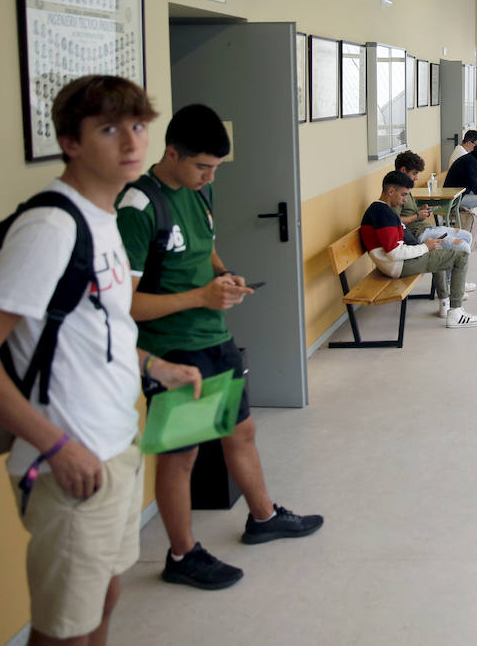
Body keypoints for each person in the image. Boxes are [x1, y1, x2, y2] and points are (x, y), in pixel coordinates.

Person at [0, 75, 201, 646]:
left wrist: (154, 367)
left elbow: (92, 331)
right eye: (109, 129)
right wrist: (58, 447)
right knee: (63, 631)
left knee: (104, 599)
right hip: (71, 462)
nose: (132, 142)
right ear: (71, 142)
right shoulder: (50, 228)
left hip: (115, 448)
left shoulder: (103, 218)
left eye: (138, 126)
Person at [117, 104, 323, 591]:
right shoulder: (138, 208)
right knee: (181, 454)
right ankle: (182, 554)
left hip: (215, 339)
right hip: (173, 353)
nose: (209, 176)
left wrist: (223, 276)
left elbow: (204, 249)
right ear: (171, 153)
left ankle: (263, 516)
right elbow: (122, 304)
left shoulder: (200, 191)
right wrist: (200, 297)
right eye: (202, 166)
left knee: (242, 431)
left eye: (214, 169)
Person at [362, 171, 477, 327]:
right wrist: (425, 247)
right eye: (403, 195)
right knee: (460, 257)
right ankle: (456, 312)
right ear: (391, 191)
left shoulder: (380, 210)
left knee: (438, 250)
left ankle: (445, 304)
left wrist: (427, 247)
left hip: (394, 263)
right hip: (396, 265)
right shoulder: (383, 213)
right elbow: (394, 253)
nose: (405, 200)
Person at [393, 151, 476, 291]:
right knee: (463, 248)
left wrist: (421, 209)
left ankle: (453, 282)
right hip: (418, 235)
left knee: (467, 236)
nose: (416, 179)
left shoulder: (406, 188)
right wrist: (417, 217)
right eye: (414, 174)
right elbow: (395, 222)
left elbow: (408, 212)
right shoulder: (395, 192)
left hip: (426, 228)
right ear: (403, 170)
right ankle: (453, 287)